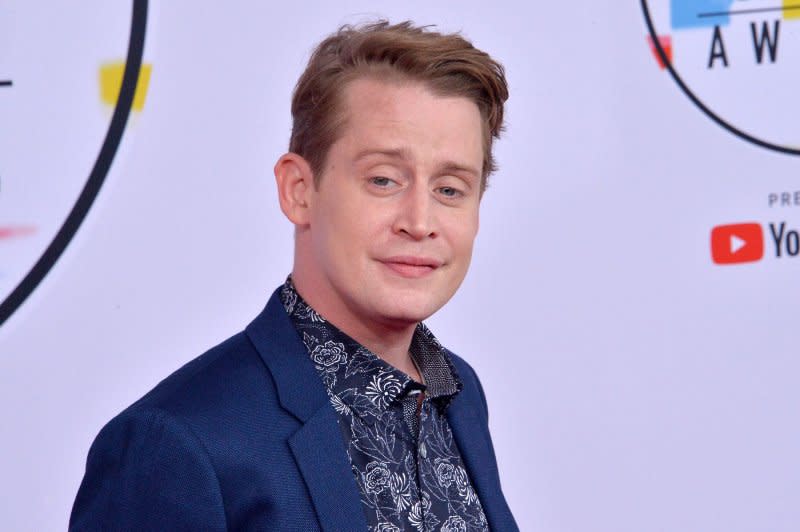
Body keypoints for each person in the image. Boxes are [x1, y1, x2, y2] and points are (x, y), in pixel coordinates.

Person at [70, 20, 516, 531]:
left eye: (451, 189)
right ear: (299, 190)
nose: (419, 221)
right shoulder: (175, 445)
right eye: (384, 179)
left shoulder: (460, 396)